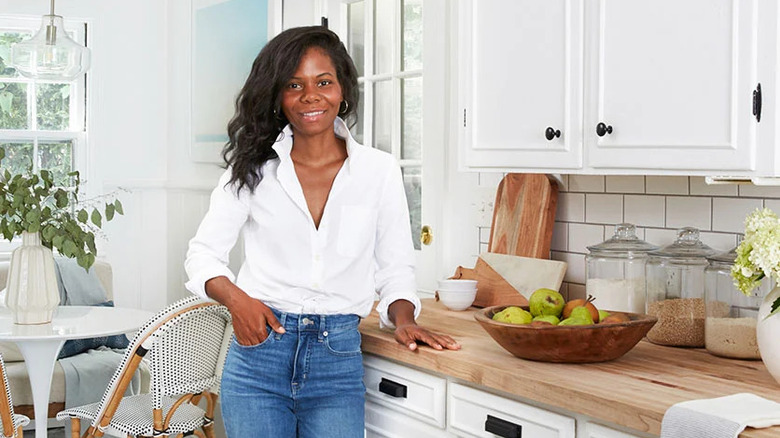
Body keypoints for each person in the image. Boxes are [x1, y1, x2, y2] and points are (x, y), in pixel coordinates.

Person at [184, 25, 459, 438]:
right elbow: (202, 255)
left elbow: (396, 265)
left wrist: (403, 318)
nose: (310, 96)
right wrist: (237, 301)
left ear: (343, 89)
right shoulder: (251, 170)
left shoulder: (378, 171)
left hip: (338, 360)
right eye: (294, 85)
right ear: (278, 95)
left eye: (323, 82)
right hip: (259, 357)